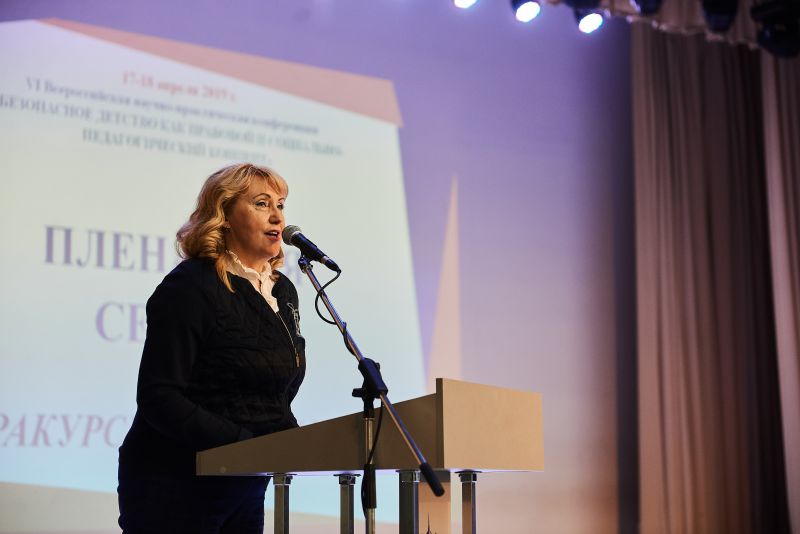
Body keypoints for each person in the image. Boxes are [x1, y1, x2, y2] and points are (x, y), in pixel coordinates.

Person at [117, 163, 306, 534]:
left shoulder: (282, 291)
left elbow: (278, 388)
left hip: (244, 479)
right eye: (262, 203)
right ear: (225, 215)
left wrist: (287, 442)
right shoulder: (191, 286)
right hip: (174, 482)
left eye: (281, 205)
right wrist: (241, 444)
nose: (277, 217)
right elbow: (160, 396)